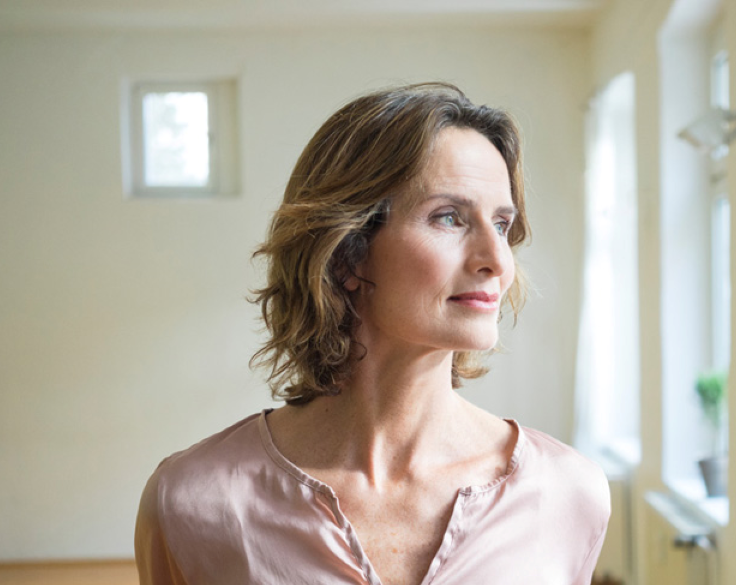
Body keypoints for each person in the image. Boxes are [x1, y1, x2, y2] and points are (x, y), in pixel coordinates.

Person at [135, 82, 610, 585]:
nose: (497, 260)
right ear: (347, 251)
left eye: (501, 224)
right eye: (449, 218)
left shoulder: (568, 494)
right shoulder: (193, 502)